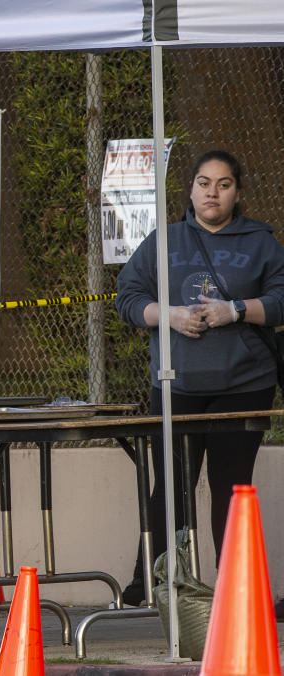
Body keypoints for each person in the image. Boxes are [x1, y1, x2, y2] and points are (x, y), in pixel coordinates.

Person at [115, 149, 284, 606]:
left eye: (224, 184)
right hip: (175, 384)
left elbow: (283, 299)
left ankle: (238, 595)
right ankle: (150, 586)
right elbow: (126, 297)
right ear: (189, 190)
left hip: (244, 383)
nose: (213, 192)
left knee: (232, 489)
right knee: (169, 487)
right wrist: (166, 315)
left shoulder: (261, 242)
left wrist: (237, 311)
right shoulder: (164, 241)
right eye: (204, 183)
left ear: (238, 193)